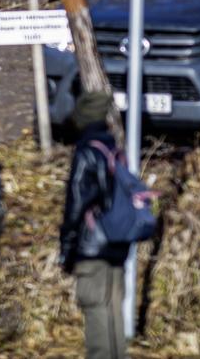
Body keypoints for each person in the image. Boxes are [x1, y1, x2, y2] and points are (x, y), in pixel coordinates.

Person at [59, 89, 132, 359]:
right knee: (113, 307)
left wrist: (66, 248)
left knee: (95, 308)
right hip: (117, 243)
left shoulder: (87, 153)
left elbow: (75, 206)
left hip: (92, 246)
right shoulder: (114, 148)